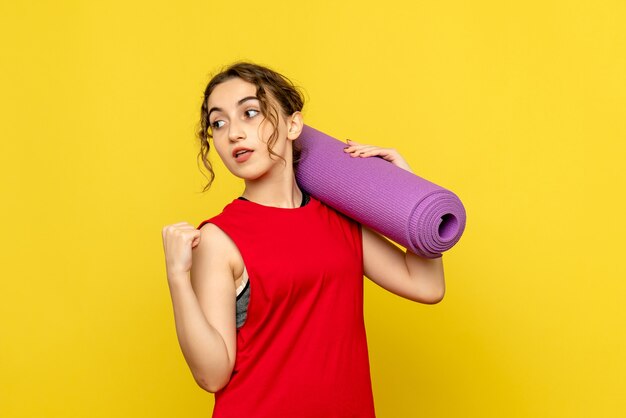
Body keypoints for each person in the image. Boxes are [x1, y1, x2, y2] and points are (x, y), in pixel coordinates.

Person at [161, 62, 446, 417]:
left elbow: (426, 286)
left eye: (250, 113)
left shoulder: (341, 217)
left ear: (294, 125)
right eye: (218, 123)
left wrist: (412, 196)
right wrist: (177, 278)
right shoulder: (219, 238)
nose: (233, 133)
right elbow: (212, 375)